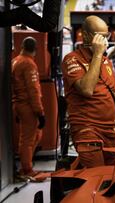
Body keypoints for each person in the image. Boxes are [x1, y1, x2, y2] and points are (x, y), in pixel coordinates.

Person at [61, 15, 115, 168]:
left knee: (113, 180)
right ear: (85, 36)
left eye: (107, 36)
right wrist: (98, 54)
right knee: (97, 180)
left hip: (110, 134)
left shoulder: (106, 62)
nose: (104, 41)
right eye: (100, 36)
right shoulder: (72, 59)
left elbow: (114, 99)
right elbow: (86, 89)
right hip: (88, 132)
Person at [12, 37, 46, 181]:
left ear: (22, 46)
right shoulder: (29, 64)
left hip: (18, 104)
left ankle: (26, 166)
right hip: (28, 107)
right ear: (36, 50)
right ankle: (27, 170)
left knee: (34, 136)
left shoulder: (14, 61)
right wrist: (40, 112)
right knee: (28, 139)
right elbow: (33, 91)